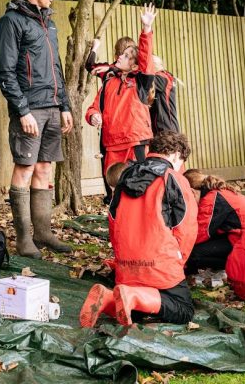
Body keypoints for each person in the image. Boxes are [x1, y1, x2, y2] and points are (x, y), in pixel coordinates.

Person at [79, 131, 198, 328]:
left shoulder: (125, 176)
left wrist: (121, 259)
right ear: (176, 155)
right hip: (160, 262)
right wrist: (178, 262)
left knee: (138, 310)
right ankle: (132, 295)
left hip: (127, 265)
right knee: (183, 309)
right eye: (181, 161)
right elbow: (186, 228)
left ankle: (110, 297)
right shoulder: (173, 179)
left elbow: (113, 221)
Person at [0, 0, 73, 258]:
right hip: (29, 109)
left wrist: (64, 105)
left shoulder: (49, 23)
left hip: (53, 108)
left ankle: (43, 233)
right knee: (25, 168)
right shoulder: (11, 22)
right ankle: (24, 239)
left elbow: (56, 68)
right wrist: (23, 111)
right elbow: (4, 72)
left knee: (44, 168)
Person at [85, 4, 157, 181]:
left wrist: (146, 29)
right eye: (120, 54)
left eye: (125, 56)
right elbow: (93, 108)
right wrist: (93, 115)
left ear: (133, 65)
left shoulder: (141, 81)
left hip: (136, 143)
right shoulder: (108, 80)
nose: (119, 57)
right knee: (114, 190)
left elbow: (146, 60)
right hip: (111, 146)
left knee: (141, 186)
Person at [182, 170, 245, 274]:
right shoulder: (219, 192)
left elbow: (200, 233)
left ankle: (236, 266)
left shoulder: (211, 199)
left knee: (193, 253)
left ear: (192, 192)